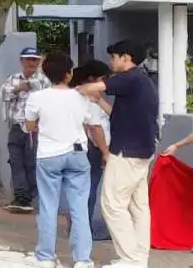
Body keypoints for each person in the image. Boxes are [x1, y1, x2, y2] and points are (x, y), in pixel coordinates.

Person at [76, 40, 159, 268]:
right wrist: (100, 102)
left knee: (111, 203)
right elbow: (118, 114)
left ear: (126, 57)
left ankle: (130, 259)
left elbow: (95, 86)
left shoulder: (130, 77)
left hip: (127, 152)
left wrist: (74, 90)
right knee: (137, 206)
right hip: (141, 151)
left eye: (114, 57)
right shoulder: (142, 82)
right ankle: (139, 258)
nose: (111, 62)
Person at [24, 52, 101, 268]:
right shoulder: (81, 97)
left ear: (46, 74)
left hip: (48, 156)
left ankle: (46, 256)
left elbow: (30, 126)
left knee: (48, 206)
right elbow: (93, 124)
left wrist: (44, 126)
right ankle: (82, 259)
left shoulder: (37, 97)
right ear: (69, 74)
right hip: (77, 155)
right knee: (79, 208)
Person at [1, 46, 50, 213]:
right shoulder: (13, 78)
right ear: (22, 60)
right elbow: (3, 95)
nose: (32, 62)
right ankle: (21, 197)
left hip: (34, 129)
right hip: (16, 126)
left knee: (31, 163)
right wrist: (17, 88)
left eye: (35, 59)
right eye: (28, 59)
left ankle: (27, 197)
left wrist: (29, 85)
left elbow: (45, 96)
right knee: (15, 162)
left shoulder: (44, 80)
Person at [69, 60, 112, 242]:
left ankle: (77, 229)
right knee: (88, 190)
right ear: (92, 79)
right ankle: (83, 232)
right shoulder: (86, 100)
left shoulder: (79, 95)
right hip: (91, 149)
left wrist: (100, 99)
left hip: (77, 148)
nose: (104, 83)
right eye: (102, 79)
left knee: (79, 190)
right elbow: (95, 128)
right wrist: (105, 152)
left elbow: (113, 113)